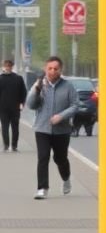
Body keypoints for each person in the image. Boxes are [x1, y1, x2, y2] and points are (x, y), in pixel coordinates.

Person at [27, 55, 79, 199]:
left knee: (60, 158)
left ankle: (66, 178)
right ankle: (42, 188)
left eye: (55, 69)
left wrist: (61, 116)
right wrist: (37, 89)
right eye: (49, 68)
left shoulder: (68, 86)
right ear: (45, 69)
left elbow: (75, 105)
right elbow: (31, 105)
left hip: (61, 130)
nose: (52, 71)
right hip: (42, 128)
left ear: (60, 70)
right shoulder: (39, 85)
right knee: (43, 157)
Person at [0, 59, 27, 152]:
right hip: (8, 108)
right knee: (8, 127)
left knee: (10, 127)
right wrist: (22, 103)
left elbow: (23, 92)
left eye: (9, 66)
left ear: (11, 66)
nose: (7, 67)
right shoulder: (17, 78)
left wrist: (22, 103)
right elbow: (24, 92)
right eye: (6, 65)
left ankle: (10, 146)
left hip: (9, 108)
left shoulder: (17, 78)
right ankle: (10, 145)